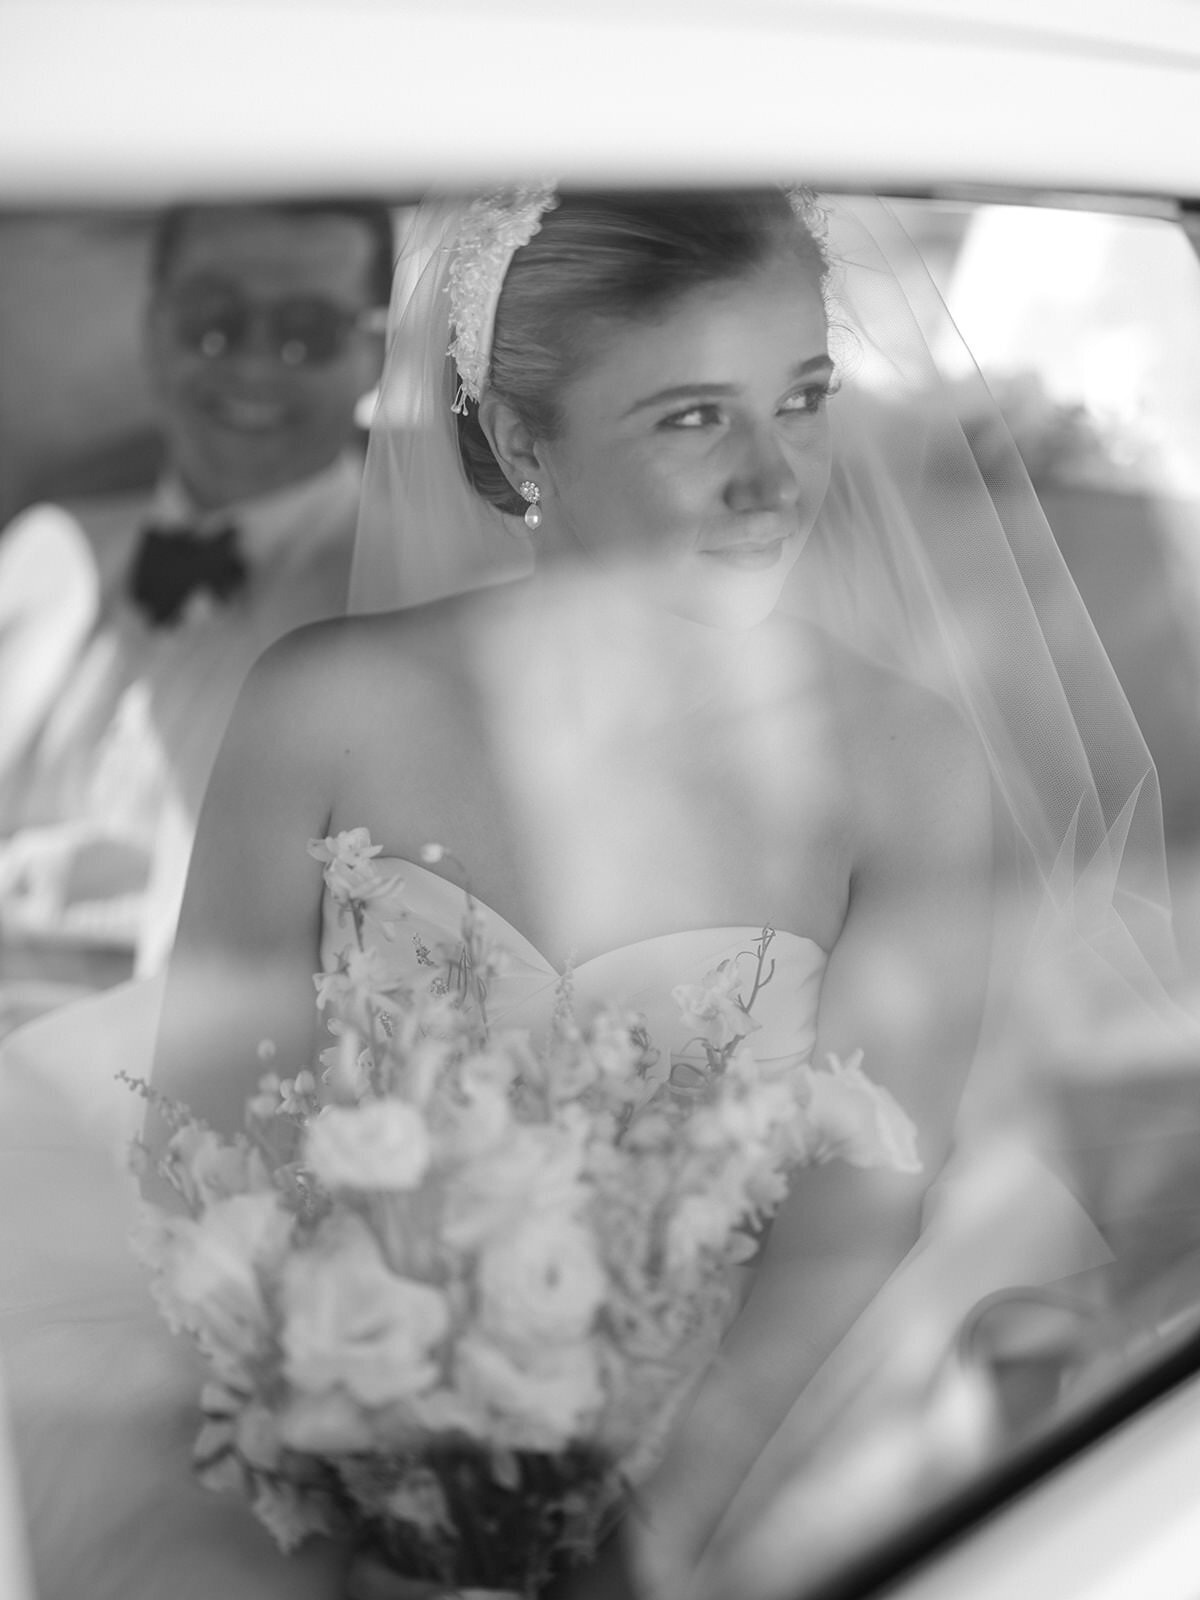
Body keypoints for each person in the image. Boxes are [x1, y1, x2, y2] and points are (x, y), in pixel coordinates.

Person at [0, 186, 1189, 1600]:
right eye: (693, 417)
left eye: (801, 400)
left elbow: (851, 1223)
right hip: (324, 1431)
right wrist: (323, 1489)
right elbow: (198, 1154)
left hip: (770, 1430)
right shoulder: (323, 707)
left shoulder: (911, 760)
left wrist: (637, 1548)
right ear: (518, 442)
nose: (773, 476)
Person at [0, 198, 392, 1026]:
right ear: (154, 330)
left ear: (373, 356)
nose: (252, 364)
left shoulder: (398, 592)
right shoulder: (45, 552)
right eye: (213, 322)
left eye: (304, 331)